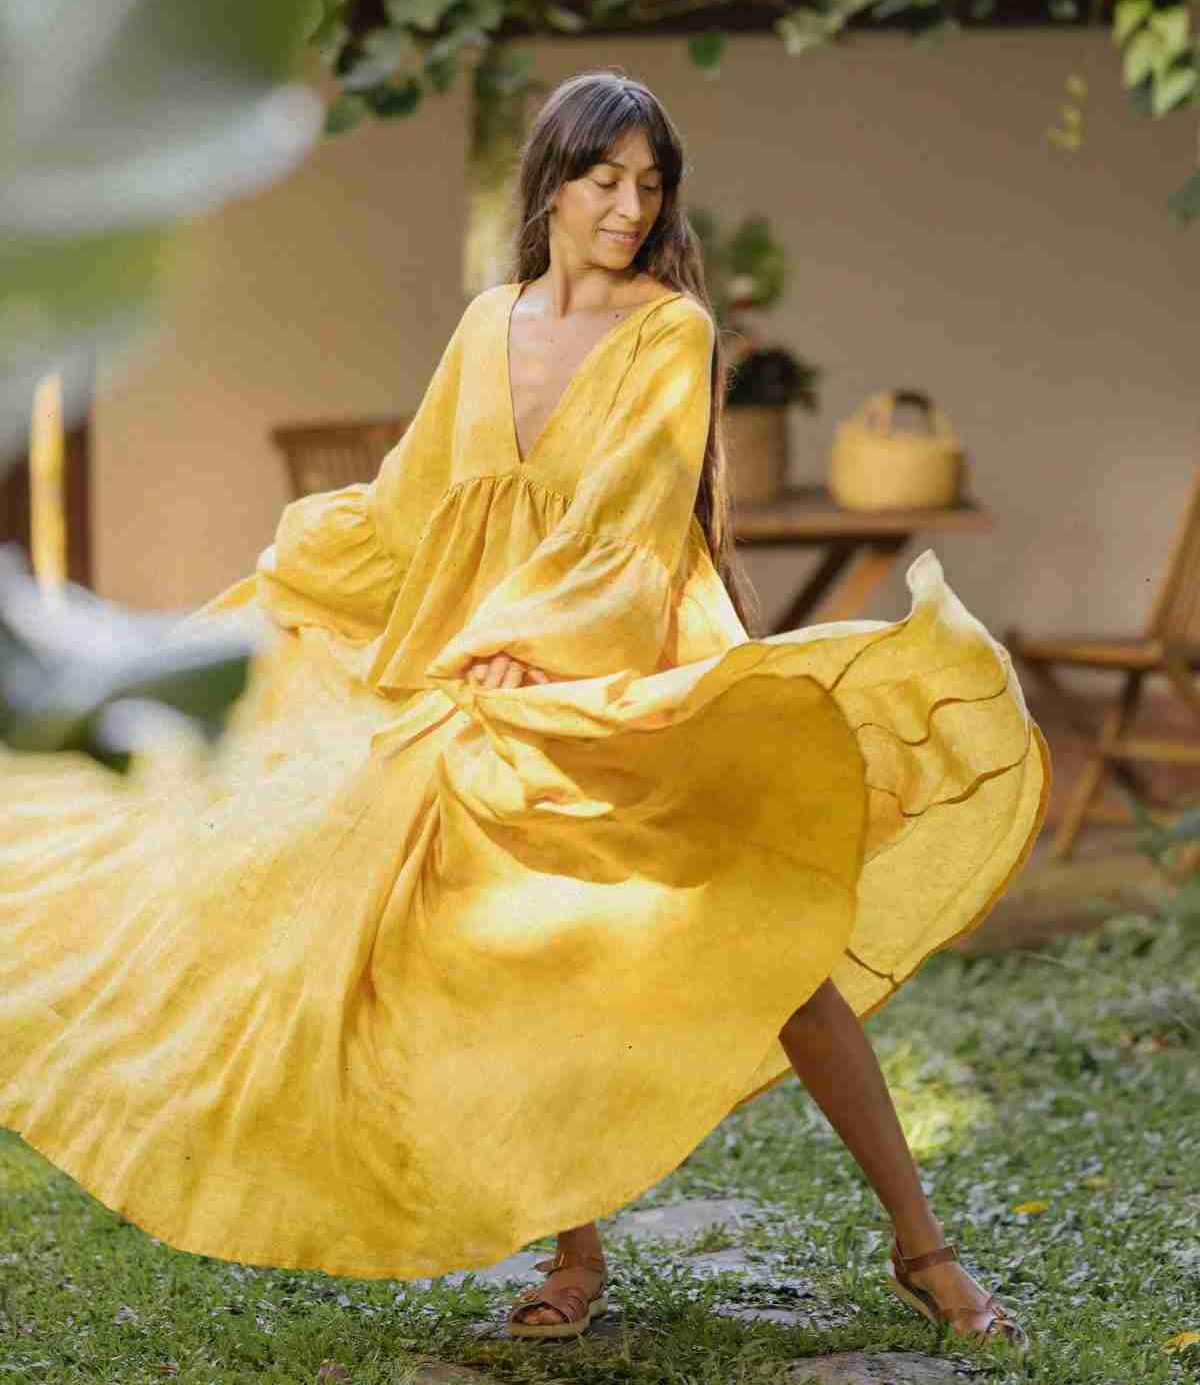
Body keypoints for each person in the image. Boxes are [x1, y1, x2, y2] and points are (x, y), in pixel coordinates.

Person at [0, 69, 1047, 1354]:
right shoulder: (486, 323)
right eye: (604, 179)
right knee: (505, 950)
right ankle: (575, 1251)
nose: (626, 206)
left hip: (628, 680)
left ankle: (924, 1251)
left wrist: (531, 644)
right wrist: (303, 569)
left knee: (778, 955)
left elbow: (633, 513)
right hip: (480, 682)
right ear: (549, 182)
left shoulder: (671, 331)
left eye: (648, 186)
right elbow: (407, 504)